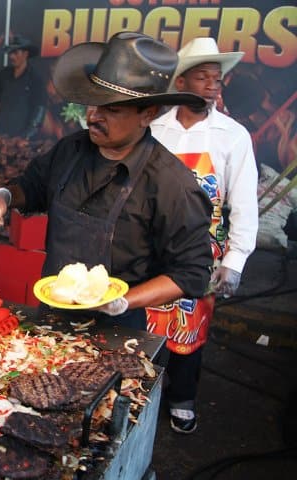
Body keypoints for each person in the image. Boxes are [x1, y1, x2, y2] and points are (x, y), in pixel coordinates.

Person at [0, 32, 214, 331]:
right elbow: (31, 187)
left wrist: (123, 301)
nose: (93, 116)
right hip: (51, 318)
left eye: (111, 109)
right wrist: (1, 197)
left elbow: (191, 273)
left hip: (117, 329)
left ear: (147, 113)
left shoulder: (172, 184)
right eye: (91, 104)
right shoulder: (70, 150)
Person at [147, 37, 259, 434]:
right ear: (182, 80)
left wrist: (235, 260)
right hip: (150, 248)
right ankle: (140, 393)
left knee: (189, 327)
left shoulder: (232, 135)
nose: (214, 85)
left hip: (200, 250)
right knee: (145, 326)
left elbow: (245, 201)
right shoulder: (154, 127)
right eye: (204, 77)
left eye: (218, 78)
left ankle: (181, 397)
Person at [0, 35, 47, 139]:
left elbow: (40, 107)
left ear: (25, 54)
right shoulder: (3, 74)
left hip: (22, 135)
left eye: (15, 53)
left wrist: (30, 132)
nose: (11, 56)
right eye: (11, 53)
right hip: (1, 133)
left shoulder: (35, 78)